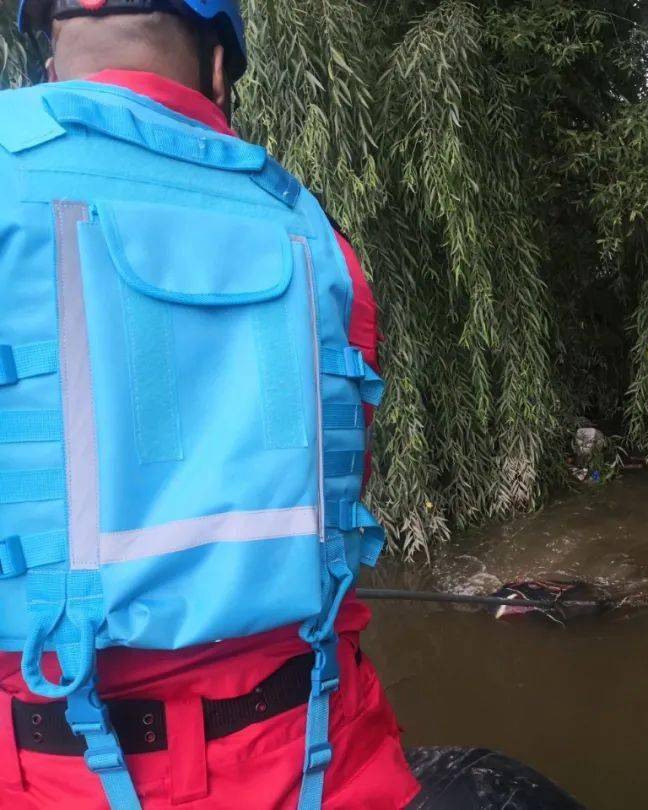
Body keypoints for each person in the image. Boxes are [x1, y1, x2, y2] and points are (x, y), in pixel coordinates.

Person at [0, 2, 419, 807]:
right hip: (325, 758)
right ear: (220, 66)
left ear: (47, 56)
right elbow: (342, 462)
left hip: (51, 774)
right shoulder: (314, 230)